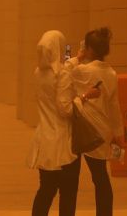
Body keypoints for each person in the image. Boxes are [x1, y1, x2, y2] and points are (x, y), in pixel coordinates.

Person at [27, 30, 101, 216]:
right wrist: (84, 96)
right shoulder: (62, 75)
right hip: (64, 143)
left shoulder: (38, 73)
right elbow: (65, 109)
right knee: (68, 193)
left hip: (45, 141)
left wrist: (76, 58)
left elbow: (61, 68)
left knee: (46, 190)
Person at [58, 27, 123, 216]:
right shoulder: (111, 74)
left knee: (70, 179)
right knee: (101, 177)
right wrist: (118, 134)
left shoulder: (82, 71)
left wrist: (77, 56)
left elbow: (64, 71)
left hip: (81, 130)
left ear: (90, 49)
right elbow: (114, 107)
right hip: (101, 132)